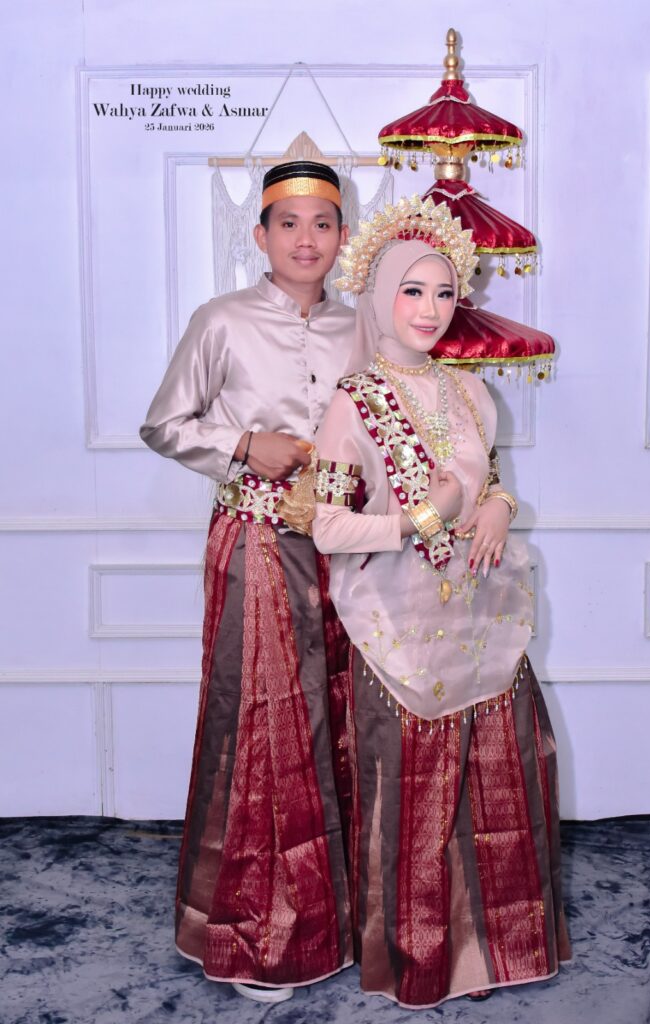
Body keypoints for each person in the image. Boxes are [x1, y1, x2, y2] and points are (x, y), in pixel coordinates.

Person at [312, 197, 571, 1009]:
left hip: (481, 615)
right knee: (416, 792)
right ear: (379, 294)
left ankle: (494, 949)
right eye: (413, 291)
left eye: (445, 292)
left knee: (499, 778)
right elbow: (326, 525)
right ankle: (421, 956)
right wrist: (425, 517)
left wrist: (497, 507)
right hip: (397, 621)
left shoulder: (470, 393)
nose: (430, 310)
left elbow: (491, 483)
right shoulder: (354, 401)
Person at [140, 161, 356, 1004]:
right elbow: (165, 423)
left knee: (342, 718)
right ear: (259, 236)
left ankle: (338, 920)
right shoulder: (222, 320)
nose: (306, 240)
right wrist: (240, 444)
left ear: (343, 237)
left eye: (323, 224)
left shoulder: (362, 328)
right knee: (265, 724)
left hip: (348, 547)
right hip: (258, 542)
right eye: (288, 224)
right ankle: (259, 931)